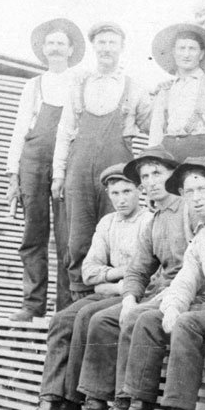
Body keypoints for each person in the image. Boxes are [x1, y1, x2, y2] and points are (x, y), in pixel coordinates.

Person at [6, 163, 151, 410]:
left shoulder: (148, 222)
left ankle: (78, 404)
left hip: (135, 295)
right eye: (115, 193)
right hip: (109, 291)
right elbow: (89, 271)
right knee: (62, 319)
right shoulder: (107, 223)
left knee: (89, 318)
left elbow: (149, 273)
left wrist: (116, 284)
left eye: (127, 191)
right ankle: (50, 403)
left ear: (139, 191)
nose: (121, 199)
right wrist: (118, 275)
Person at [100, 157, 205, 410]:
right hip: (204, 301)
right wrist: (171, 304)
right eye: (189, 192)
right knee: (148, 318)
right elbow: (188, 276)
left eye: (202, 191)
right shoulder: (202, 231)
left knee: (176, 322)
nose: (195, 199)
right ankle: (137, 406)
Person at [57, 146, 185, 410]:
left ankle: (134, 407)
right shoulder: (155, 219)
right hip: (158, 292)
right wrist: (127, 297)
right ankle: (97, 406)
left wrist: (161, 295)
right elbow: (139, 269)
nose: (151, 182)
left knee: (130, 317)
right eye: (146, 176)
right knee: (104, 319)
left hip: (184, 294)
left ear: (173, 175)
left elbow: (195, 267)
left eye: (157, 174)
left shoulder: (187, 210)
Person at [51, 22, 151, 300]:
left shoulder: (135, 87)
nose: (107, 48)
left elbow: (154, 125)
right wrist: (58, 173)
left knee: (117, 232)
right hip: (79, 169)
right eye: (102, 43)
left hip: (118, 169)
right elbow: (65, 130)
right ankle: (78, 300)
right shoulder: (79, 83)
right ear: (94, 47)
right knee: (78, 235)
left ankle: (116, 298)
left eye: (112, 43)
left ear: (121, 48)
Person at [5, 18, 85, 320]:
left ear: (71, 49)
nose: (55, 48)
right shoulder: (33, 85)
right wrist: (14, 173)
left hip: (65, 159)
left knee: (66, 234)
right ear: (43, 49)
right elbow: (19, 129)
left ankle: (64, 307)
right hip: (33, 159)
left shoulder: (79, 82)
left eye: (60, 43)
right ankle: (32, 303)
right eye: (50, 43)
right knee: (33, 233)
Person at [148, 22, 205, 178]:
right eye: (182, 48)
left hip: (201, 160)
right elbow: (155, 136)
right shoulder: (165, 89)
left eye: (192, 49)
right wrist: (152, 173)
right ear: (174, 53)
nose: (186, 54)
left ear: (201, 54)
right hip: (168, 162)